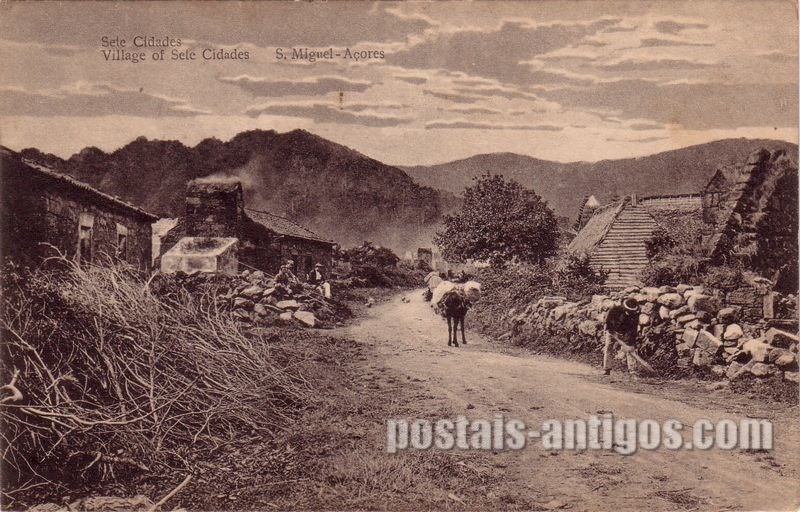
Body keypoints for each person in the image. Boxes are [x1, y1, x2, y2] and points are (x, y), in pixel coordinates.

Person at [603, 297, 640, 376]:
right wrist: (609, 328)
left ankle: (633, 371)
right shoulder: (615, 309)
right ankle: (607, 369)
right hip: (612, 330)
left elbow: (632, 330)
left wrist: (628, 343)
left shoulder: (635, 314)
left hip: (624, 332)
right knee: (608, 348)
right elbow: (607, 320)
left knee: (630, 349)